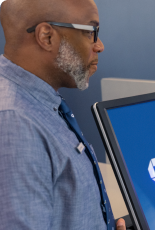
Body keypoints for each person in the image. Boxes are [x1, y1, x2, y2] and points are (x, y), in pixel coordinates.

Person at [0, 0, 125, 229]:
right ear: (46, 37)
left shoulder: (39, 102)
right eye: (91, 32)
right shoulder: (15, 122)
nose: (99, 46)